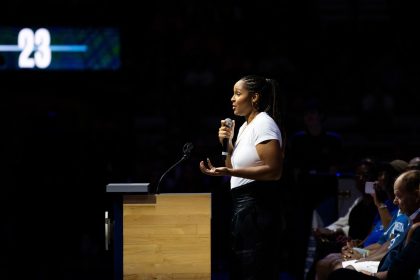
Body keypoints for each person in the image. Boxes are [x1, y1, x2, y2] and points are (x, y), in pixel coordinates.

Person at [199, 75, 285, 280]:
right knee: (242, 269)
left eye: (238, 94)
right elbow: (232, 167)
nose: (232, 99)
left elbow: (274, 170)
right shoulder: (245, 126)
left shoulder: (264, 124)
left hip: (259, 207)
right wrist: (227, 145)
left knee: (255, 271)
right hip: (243, 207)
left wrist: (229, 172)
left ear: (254, 97)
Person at [327, 169, 420, 280]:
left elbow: (398, 269)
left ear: (417, 195)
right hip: (379, 261)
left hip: (385, 267)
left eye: (399, 196)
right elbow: (385, 241)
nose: (395, 201)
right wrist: (359, 249)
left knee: (339, 271)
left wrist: (363, 257)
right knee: (333, 263)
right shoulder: (402, 214)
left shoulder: (411, 223)